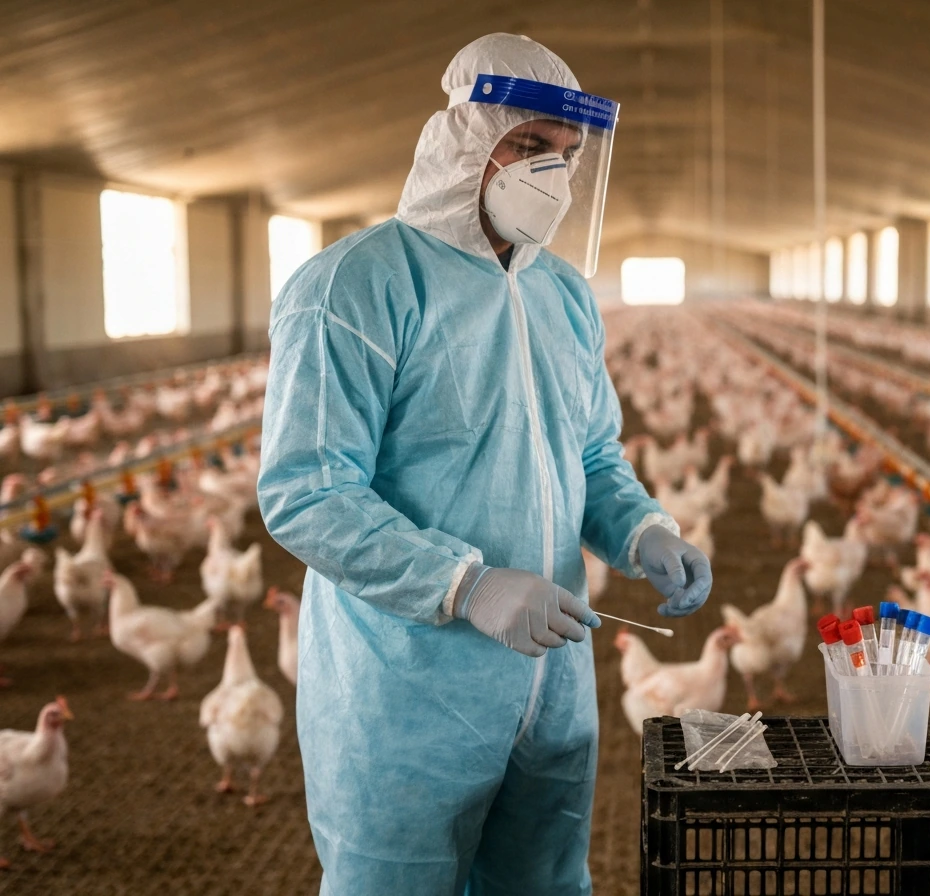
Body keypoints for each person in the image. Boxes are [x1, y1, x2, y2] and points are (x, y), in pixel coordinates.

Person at [257, 32, 713, 896]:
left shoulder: (565, 297)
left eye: (568, 155)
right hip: (409, 685)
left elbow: (588, 451)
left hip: (553, 678)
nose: (554, 174)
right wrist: (467, 585)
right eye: (530, 147)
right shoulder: (355, 286)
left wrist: (643, 528)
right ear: (467, 141)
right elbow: (310, 492)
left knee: (541, 880)